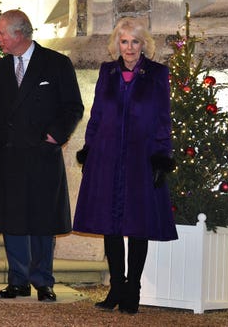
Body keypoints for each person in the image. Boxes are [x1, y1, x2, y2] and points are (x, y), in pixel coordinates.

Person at [73, 16, 177, 314]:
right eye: (124, 41)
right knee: (111, 225)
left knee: (138, 224)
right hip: (106, 156)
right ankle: (116, 287)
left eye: (134, 41)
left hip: (141, 158)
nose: (129, 48)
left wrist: (162, 156)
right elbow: (97, 115)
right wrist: (89, 148)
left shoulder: (157, 74)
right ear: (116, 44)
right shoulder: (107, 72)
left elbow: (162, 119)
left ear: (143, 44)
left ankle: (133, 288)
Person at [0, 9, 84, 302]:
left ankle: (43, 281)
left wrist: (55, 136)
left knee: (43, 220)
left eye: (1, 33)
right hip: (10, 157)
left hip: (42, 154)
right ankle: (18, 281)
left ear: (19, 34)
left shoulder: (56, 64)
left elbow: (73, 107)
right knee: (13, 220)